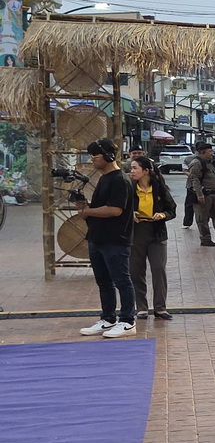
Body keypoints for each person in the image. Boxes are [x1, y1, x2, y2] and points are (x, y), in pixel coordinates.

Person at [75, 138, 137, 338]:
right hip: (98, 238)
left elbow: (115, 210)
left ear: (109, 156)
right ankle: (108, 318)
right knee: (103, 281)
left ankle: (128, 320)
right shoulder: (104, 178)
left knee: (122, 280)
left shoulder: (120, 179)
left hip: (115, 239)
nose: (93, 159)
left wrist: (89, 212)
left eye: (96, 155)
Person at [127, 154, 177, 323]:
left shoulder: (159, 187)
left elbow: (172, 209)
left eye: (135, 168)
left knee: (158, 269)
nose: (131, 171)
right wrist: (130, 213)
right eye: (131, 168)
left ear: (146, 171)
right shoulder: (129, 187)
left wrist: (162, 214)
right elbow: (120, 208)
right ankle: (141, 307)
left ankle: (160, 307)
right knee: (136, 271)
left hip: (156, 233)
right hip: (136, 233)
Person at [182, 142, 215, 247]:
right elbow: (194, 179)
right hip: (204, 195)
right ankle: (205, 239)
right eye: (210, 151)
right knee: (202, 218)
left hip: (214, 194)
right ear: (202, 152)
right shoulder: (196, 162)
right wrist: (199, 194)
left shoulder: (209, 162)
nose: (212, 153)